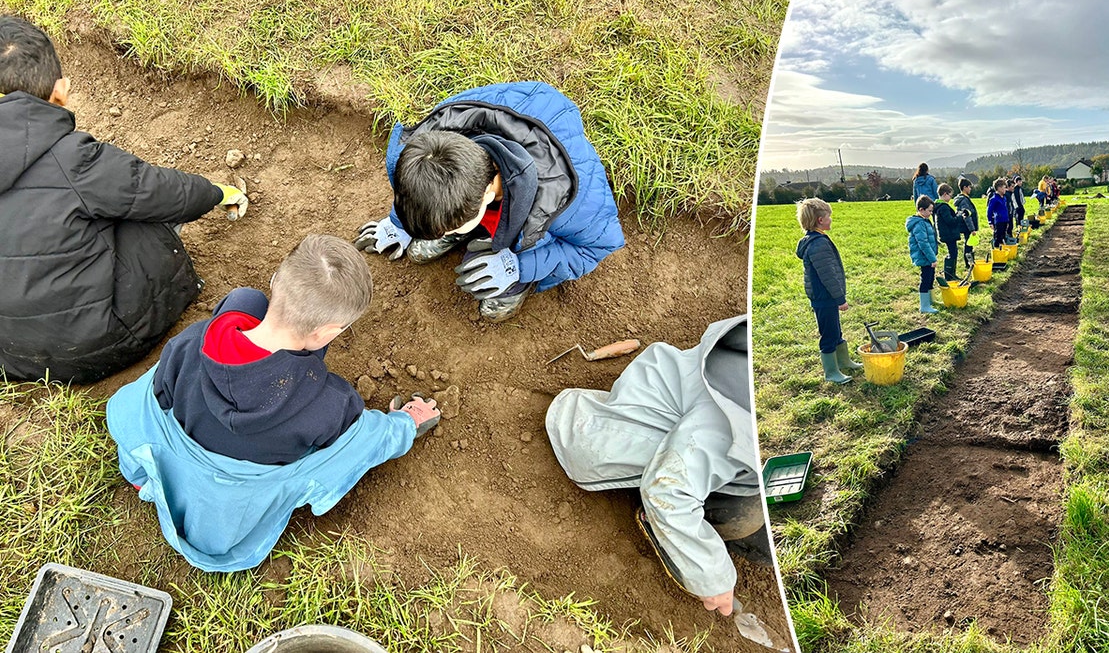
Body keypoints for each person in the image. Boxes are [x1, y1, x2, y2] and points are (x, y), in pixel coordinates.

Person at [105, 235, 440, 571]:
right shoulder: (328, 403)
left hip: (182, 436)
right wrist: (404, 425)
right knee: (353, 437)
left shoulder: (191, 341)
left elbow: (159, 396)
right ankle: (409, 423)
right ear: (328, 332)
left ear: (275, 280)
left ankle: (155, 475)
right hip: (225, 506)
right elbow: (362, 441)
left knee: (244, 301)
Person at [0, 15, 249, 383]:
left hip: (13, 355)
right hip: (97, 347)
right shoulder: (75, 160)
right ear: (60, 92)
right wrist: (218, 192)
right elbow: (160, 191)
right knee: (136, 213)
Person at [544, 315, 766, 617]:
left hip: (682, 418)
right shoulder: (734, 419)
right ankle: (664, 527)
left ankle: (691, 523)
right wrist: (715, 578)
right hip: (621, 443)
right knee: (752, 522)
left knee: (762, 507)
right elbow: (668, 490)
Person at [354, 82, 625, 322]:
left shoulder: (570, 201)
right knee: (418, 248)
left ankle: (512, 261)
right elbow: (418, 184)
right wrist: (400, 223)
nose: (439, 234)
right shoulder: (430, 144)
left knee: (494, 305)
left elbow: (598, 246)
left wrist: (519, 268)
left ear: (485, 195)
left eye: (450, 226)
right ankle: (468, 229)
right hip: (497, 188)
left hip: (535, 211)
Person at [796, 198, 859, 384]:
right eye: (828, 216)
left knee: (835, 330)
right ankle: (831, 372)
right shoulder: (818, 244)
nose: (831, 219)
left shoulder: (816, 240)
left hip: (825, 296)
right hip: (825, 297)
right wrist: (840, 298)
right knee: (829, 334)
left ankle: (843, 361)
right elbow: (828, 275)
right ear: (820, 220)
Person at [908, 196, 939, 314]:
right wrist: (932, 258)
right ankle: (924, 306)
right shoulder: (919, 224)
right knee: (925, 279)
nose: (931, 213)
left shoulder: (925, 221)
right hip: (924, 256)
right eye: (930, 211)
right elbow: (923, 243)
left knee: (931, 277)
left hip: (929, 256)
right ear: (921, 210)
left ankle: (931, 300)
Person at [931, 183, 962, 280]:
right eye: (950, 195)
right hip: (948, 234)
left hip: (945, 233)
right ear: (945, 194)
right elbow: (950, 221)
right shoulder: (944, 207)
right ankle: (950, 275)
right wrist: (959, 217)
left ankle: (951, 274)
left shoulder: (938, 206)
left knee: (953, 252)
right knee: (953, 253)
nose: (950, 198)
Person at [954, 178, 979, 271]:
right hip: (967, 227)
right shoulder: (964, 200)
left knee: (969, 244)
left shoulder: (964, 199)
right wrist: (972, 229)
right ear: (964, 187)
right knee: (968, 244)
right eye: (969, 187)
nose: (970, 189)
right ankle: (969, 263)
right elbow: (966, 216)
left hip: (966, 226)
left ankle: (970, 262)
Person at [987, 178, 1011, 249]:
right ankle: (997, 253)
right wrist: (990, 222)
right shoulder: (994, 199)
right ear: (999, 188)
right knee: (998, 238)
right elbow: (989, 211)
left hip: (1005, 220)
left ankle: (1002, 253)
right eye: (1004, 188)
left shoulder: (1004, 198)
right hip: (998, 221)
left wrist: (1007, 220)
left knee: (1003, 237)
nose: (1005, 189)